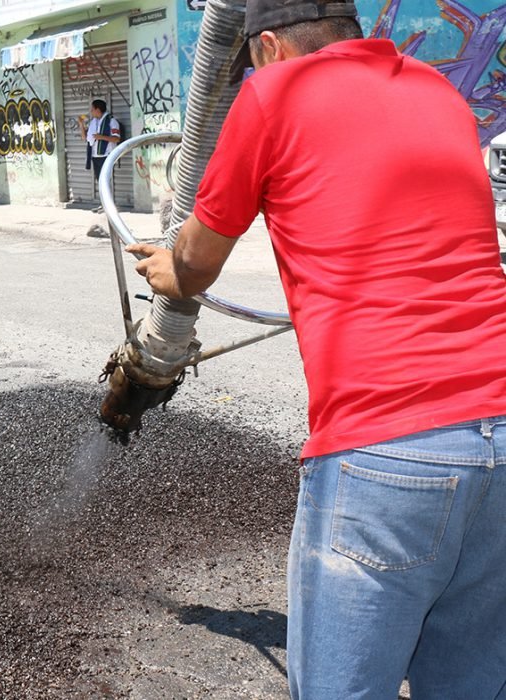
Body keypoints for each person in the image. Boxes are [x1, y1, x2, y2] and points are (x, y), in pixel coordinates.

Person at [126, 0, 506, 697]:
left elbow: (199, 261)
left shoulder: (274, 91)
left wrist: (168, 269)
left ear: (267, 45)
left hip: (388, 448)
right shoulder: (437, 91)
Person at [78, 99, 122, 199]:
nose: (91, 112)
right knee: (100, 180)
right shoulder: (94, 123)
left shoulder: (111, 121)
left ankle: (109, 204)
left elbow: (117, 138)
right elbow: (85, 138)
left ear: (98, 110)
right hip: (95, 156)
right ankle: (104, 203)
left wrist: (101, 137)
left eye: (92, 109)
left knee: (105, 180)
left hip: (106, 155)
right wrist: (81, 124)